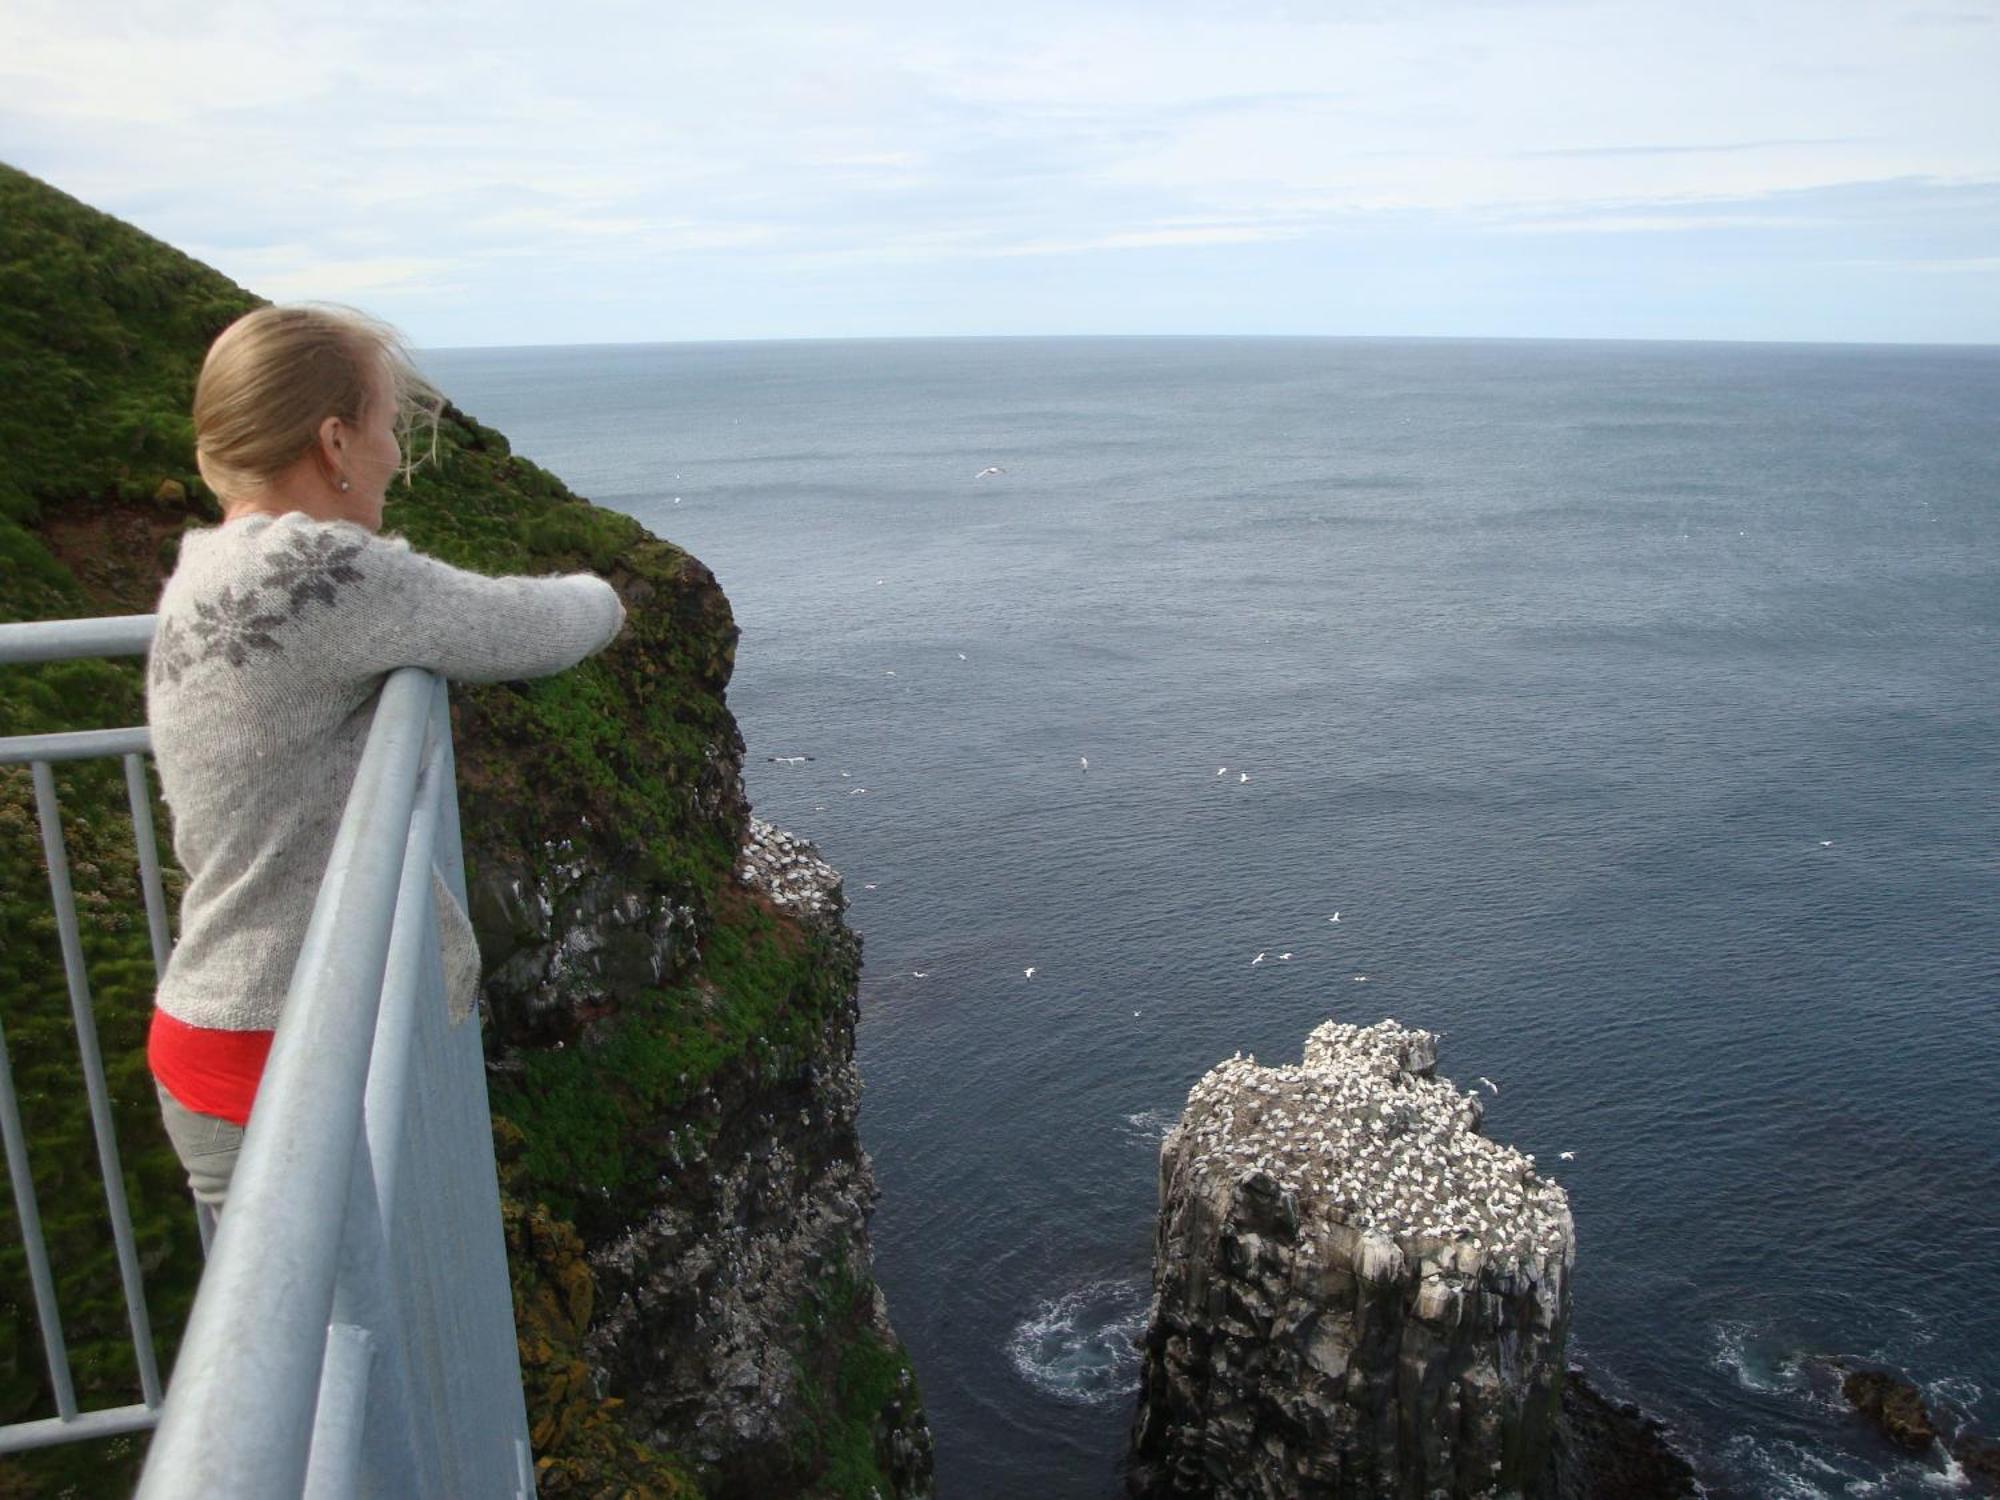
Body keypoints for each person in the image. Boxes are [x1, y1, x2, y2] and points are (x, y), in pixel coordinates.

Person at [146, 303, 626, 1211]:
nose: (396, 456)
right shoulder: (314, 573)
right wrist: (606, 594)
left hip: (218, 1028)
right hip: (281, 1051)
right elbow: (525, 628)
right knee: (334, 1342)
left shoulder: (206, 565)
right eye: (384, 427)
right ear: (334, 442)